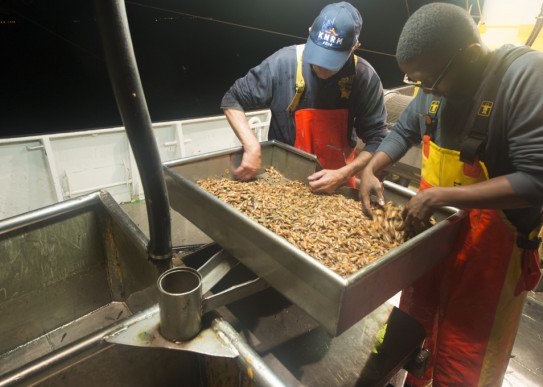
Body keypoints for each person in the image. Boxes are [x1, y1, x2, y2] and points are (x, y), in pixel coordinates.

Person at [359, 3, 543, 386]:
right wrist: (372, 167)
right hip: (432, 242)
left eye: (427, 81)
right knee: (413, 329)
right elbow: (403, 131)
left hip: (491, 258)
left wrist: (438, 195)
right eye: (414, 81)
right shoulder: (433, 87)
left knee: (466, 357)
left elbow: (536, 180)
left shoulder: (524, 78)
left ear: (471, 57)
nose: (422, 90)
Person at [220, 2, 388, 193]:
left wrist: (345, 173)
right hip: (282, 179)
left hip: (336, 181)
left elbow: (378, 138)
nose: (321, 67)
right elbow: (232, 99)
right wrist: (251, 145)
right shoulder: (283, 63)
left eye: (332, 61)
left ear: (355, 47)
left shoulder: (364, 77)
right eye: (317, 56)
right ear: (309, 32)